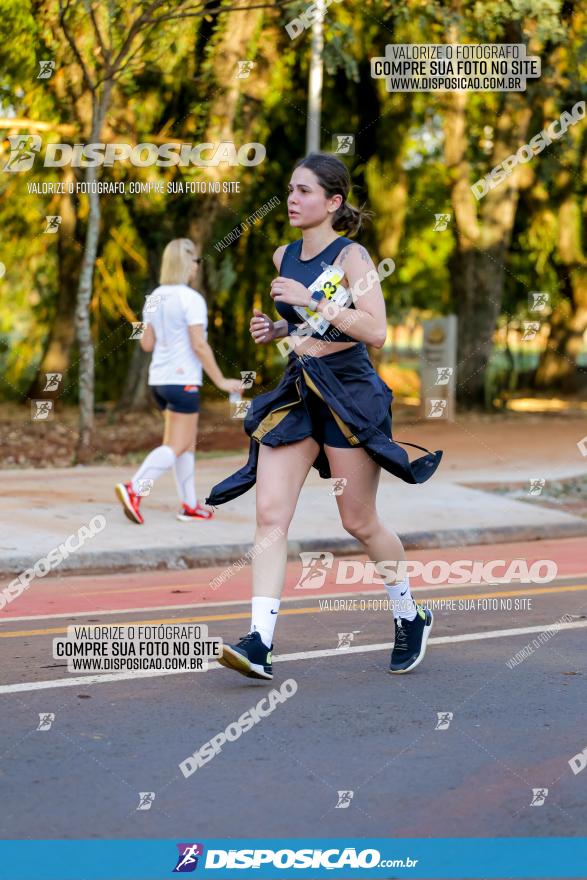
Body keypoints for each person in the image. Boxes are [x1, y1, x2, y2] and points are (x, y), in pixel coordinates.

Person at [205, 153, 443, 679]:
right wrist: (280, 331)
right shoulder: (282, 254)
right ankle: (259, 641)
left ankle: (409, 613)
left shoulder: (351, 257)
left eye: (305, 191)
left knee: (357, 520)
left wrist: (313, 298)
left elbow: (375, 331)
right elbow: (309, 331)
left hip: (350, 393)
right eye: (290, 189)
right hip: (299, 390)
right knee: (270, 515)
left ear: (333, 203)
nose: (292, 199)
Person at [115, 237, 242, 525]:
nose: (197, 266)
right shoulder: (191, 299)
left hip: (159, 382)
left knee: (184, 445)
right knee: (177, 445)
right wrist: (221, 381)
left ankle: (189, 505)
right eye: (196, 260)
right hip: (183, 381)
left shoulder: (155, 296)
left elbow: (147, 344)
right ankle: (134, 489)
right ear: (187, 264)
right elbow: (199, 345)